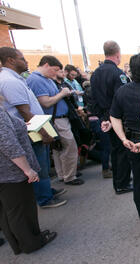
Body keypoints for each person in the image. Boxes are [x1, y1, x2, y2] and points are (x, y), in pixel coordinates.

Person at [0, 47, 67, 209]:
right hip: (31, 130)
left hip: (34, 127)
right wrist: (43, 132)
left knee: (42, 162)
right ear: (10, 60)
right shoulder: (9, 81)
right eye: (22, 58)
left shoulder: (16, 79)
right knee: (39, 164)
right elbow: (24, 111)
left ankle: (46, 191)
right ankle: (44, 198)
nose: (26, 61)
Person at [0, 102, 57, 255]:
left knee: (7, 211)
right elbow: (8, 144)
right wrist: (27, 169)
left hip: (5, 173)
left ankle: (18, 244)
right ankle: (31, 243)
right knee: (21, 209)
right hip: (11, 171)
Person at [110, 53, 140, 223]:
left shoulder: (122, 91)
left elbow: (114, 117)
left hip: (132, 141)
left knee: (138, 177)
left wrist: (123, 139)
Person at [27, 56, 84, 186]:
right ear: (46, 65)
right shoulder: (36, 80)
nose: (57, 73)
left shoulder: (45, 79)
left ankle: (63, 174)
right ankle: (69, 176)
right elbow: (46, 102)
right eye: (55, 70)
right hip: (56, 119)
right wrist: (62, 94)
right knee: (69, 146)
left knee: (59, 148)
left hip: (58, 118)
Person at [90, 41, 132, 194]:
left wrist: (103, 118)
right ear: (118, 54)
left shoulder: (95, 73)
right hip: (117, 118)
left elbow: (93, 98)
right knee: (122, 151)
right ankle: (122, 183)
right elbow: (121, 98)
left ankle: (120, 180)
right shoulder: (117, 73)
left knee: (115, 151)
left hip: (105, 118)